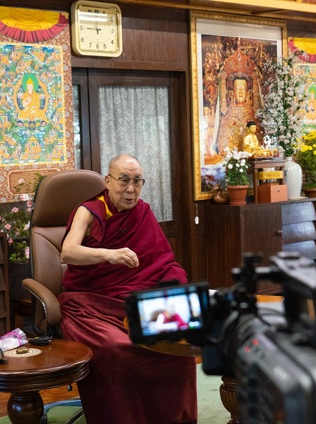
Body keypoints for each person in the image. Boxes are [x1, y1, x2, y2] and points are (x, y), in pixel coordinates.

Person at [58, 154, 197, 424]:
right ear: (108, 181)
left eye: (137, 181)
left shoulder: (142, 213)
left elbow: (163, 261)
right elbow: (68, 252)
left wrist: (171, 284)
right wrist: (108, 254)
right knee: (117, 349)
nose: (131, 189)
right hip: (89, 305)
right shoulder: (89, 210)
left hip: (137, 301)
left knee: (179, 349)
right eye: (123, 180)